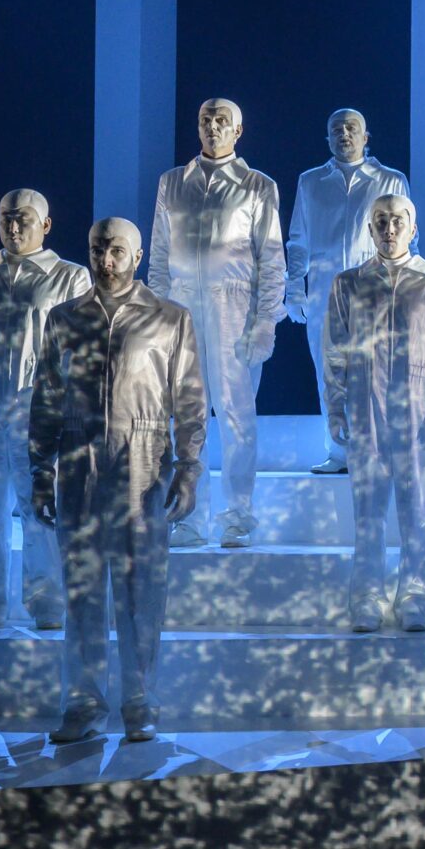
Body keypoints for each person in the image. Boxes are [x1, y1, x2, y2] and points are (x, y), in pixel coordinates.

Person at [30, 219, 207, 745]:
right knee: (83, 591)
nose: (105, 260)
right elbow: (45, 399)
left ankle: (139, 701)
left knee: (140, 592)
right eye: (97, 250)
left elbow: (192, 401)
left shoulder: (169, 318)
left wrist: (189, 468)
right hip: (79, 464)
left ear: (137, 254)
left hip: (143, 464)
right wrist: (41, 471)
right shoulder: (65, 319)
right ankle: (83, 703)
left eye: (116, 251)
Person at [0, 189, 90, 630]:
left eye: (23, 218)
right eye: (6, 217)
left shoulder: (68, 277)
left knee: (41, 507)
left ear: (45, 224)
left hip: (40, 408)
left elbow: (84, 349)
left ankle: (48, 603)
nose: (13, 226)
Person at [148, 96, 286, 550]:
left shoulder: (257, 185)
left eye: (221, 119)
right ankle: (187, 514)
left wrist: (265, 319)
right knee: (185, 415)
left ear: (238, 131)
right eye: (205, 117)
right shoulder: (173, 183)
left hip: (234, 309)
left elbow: (271, 258)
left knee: (236, 415)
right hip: (183, 307)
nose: (212, 125)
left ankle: (237, 515)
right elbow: (161, 258)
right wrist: (156, 316)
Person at [324, 196, 425, 634]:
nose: (389, 228)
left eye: (397, 221)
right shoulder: (348, 284)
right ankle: (366, 595)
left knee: (417, 511)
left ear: (413, 226)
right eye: (380, 221)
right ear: (369, 229)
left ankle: (415, 595)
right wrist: (335, 404)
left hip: (418, 409)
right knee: (367, 510)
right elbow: (334, 350)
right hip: (366, 406)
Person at [285, 109, 411, 474]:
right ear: (327, 138)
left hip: (376, 289)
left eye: (351, 128)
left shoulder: (389, 179)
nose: (344, 134)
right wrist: (294, 287)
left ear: (365, 136)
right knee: (330, 371)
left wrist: (408, 289)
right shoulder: (311, 182)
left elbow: (408, 240)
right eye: (336, 129)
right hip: (323, 292)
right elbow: (298, 241)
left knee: (377, 374)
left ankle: (379, 452)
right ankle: (339, 452)